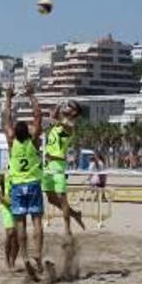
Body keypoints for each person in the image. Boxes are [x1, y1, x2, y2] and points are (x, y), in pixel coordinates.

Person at [3, 83, 45, 281]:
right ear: (28, 132)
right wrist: (31, 95)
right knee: (37, 221)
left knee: (21, 225)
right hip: (34, 184)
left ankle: (25, 256)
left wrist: (8, 97)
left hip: (18, 186)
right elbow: (39, 115)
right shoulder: (34, 140)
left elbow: (6, 118)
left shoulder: (12, 142)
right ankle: (37, 253)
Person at [42, 100, 86, 236]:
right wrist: (58, 106)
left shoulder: (70, 125)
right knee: (50, 198)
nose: (66, 108)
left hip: (58, 164)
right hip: (47, 164)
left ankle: (67, 229)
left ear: (74, 112)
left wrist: (58, 117)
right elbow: (53, 118)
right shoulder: (59, 124)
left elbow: (62, 124)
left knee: (62, 197)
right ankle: (75, 214)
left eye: (69, 107)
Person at [0, 172, 19, 270]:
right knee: (10, 232)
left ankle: (13, 261)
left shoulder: (21, 173)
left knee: (17, 237)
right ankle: (7, 261)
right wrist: (3, 199)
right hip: (6, 206)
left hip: (19, 206)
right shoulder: (3, 173)